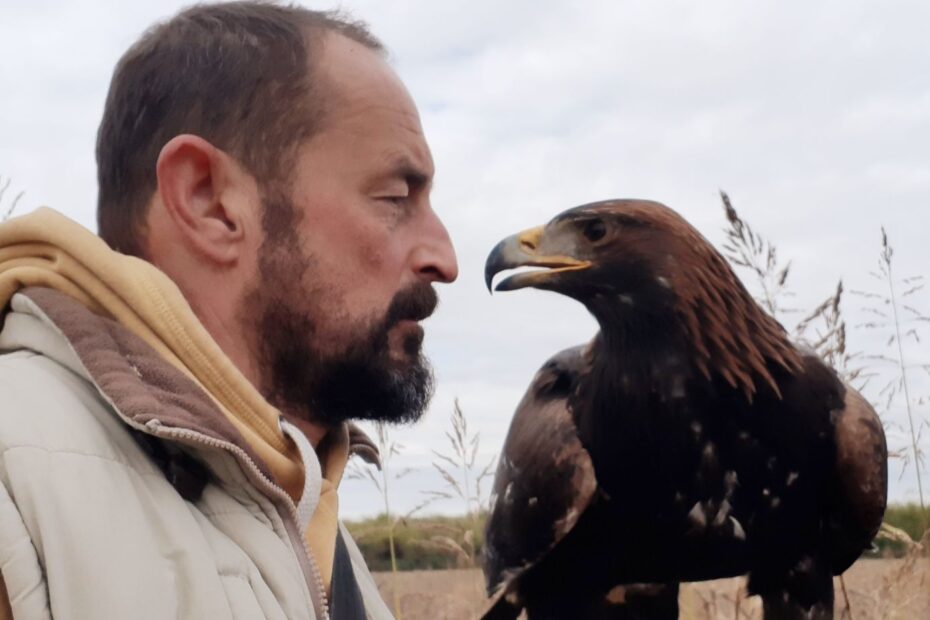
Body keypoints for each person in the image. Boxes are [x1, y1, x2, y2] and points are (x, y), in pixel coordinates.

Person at [0, 2, 457, 618]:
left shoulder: (306, 517)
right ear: (208, 202)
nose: (444, 259)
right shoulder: (15, 495)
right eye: (396, 197)